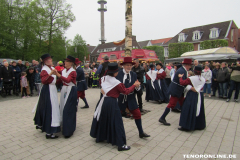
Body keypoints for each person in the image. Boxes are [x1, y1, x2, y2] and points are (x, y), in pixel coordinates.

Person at [90, 63, 140, 151]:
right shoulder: (117, 83)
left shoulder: (103, 78)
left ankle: (101, 137)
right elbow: (126, 91)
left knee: (104, 118)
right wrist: (134, 85)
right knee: (118, 122)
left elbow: (102, 87)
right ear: (115, 73)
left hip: (103, 101)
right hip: (112, 102)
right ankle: (121, 144)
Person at [116, 57, 150, 138]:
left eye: (130, 65)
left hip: (131, 98)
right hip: (121, 98)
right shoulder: (118, 74)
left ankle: (141, 132)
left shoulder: (133, 74)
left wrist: (138, 86)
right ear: (123, 66)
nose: (129, 67)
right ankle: (116, 133)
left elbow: (137, 87)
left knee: (137, 114)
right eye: (127, 65)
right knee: (117, 116)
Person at [33, 53, 61, 139]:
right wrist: (50, 74)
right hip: (47, 90)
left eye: (50, 59)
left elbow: (56, 80)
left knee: (52, 108)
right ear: (45, 61)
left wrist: (57, 75)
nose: (50, 60)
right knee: (50, 109)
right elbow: (44, 81)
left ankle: (46, 127)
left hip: (52, 89)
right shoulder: (44, 70)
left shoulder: (52, 68)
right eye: (49, 59)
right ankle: (49, 131)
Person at [159, 59, 193, 126]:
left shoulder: (183, 70)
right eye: (190, 65)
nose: (190, 67)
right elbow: (182, 82)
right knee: (171, 104)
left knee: (183, 103)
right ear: (187, 65)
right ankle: (162, 118)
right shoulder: (182, 71)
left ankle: (185, 118)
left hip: (179, 91)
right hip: (176, 90)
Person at [55, 55, 77, 138]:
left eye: (67, 61)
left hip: (71, 89)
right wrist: (52, 83)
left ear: (71, 63)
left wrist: (58, 75)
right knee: (62, 108)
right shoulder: (64, 70)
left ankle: (69, 130)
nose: (65, 63)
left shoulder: (73, 71)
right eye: (65, 61)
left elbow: (67, 80)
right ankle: (63, 125)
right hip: (64, 89)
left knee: (68, 109)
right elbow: (60, 80)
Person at [178, 66, 206, 131]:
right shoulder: (203, 79)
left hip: (191, 95)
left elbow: (182, 83)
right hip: (199, 95)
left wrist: (180, 77)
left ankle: (186, 126)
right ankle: (198, 125)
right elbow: (200, 88)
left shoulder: (191, 78)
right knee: (198, 109)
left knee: (188, 109)